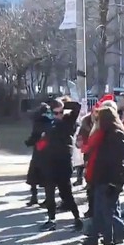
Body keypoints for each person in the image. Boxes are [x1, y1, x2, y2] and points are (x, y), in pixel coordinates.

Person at [85, 106, 124, 245]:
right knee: (103, 214)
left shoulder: (115, 135)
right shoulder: (105, 134)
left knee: (108, 214)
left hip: (109, 181)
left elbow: (117, 162)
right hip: (100, 179)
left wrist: (114, 183)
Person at [39, 98, 83, 232]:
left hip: (63, 162)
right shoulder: (47, 122)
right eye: (56, 113)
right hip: (50, 162)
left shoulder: (68, 121)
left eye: (61, 112)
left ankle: (77, 218)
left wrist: (61, 104)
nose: (59, 115)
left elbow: (77, 106)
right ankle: (51, 219)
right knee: (49, 194)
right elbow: (41, 141)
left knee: (66, 193)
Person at [25, 103, 52, 206]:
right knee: (45, 177)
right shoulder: (50, 122)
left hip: (39, 151)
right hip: (47, 152)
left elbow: (34, 136)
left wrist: (29, 142)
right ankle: (45, 198)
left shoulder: (38, 122)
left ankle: (34, 197)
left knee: (34, 176)